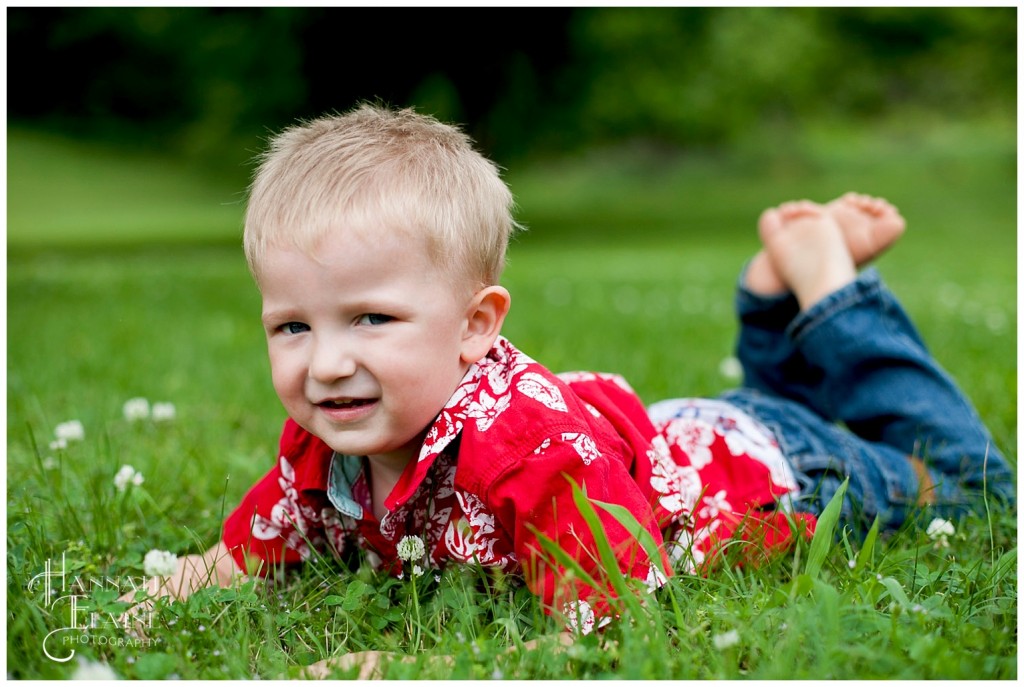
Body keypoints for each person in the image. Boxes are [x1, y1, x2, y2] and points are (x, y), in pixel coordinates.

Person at [123, 105, 1014, 673]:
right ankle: (773, 299)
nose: (322, 364)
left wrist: (409, 667)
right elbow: (258, 541)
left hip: (777, 466)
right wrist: (178, 582)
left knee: (974, 485)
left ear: (477, 325)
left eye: (371, 319)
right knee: (781, 407)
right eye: (293, 326)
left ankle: (828, 292)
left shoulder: (526, 450)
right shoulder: (329, 433)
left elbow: (615, 620)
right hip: (663, 442)